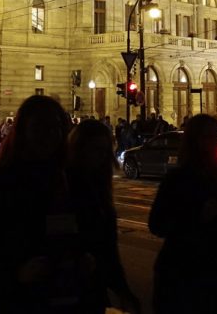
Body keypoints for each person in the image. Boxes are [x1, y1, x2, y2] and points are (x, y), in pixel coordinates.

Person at [0, 95, 86, 312]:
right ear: (23, 131)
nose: (49, 135)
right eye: (39, 128)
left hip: (67, 300)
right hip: (15, 303)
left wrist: (86, 260)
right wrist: (15, 274)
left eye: (56, 127)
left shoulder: (73, 180)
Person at [148, 114, 217, 314]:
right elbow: (157, 224)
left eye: (216, 136)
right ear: (194, 141)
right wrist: (196, 217)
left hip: (214, 268)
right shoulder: (178, 178)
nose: (214, 142)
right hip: (181, 273)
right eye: (207, 137)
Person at [66, 119, 141, 313]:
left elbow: (108, 251)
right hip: (66, 289)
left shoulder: (99, 188)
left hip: (92, 289)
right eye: (94, 149)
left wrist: (123, 290)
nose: (99, 157)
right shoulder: (62, 186)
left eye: (103, 150)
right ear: (78, 149)